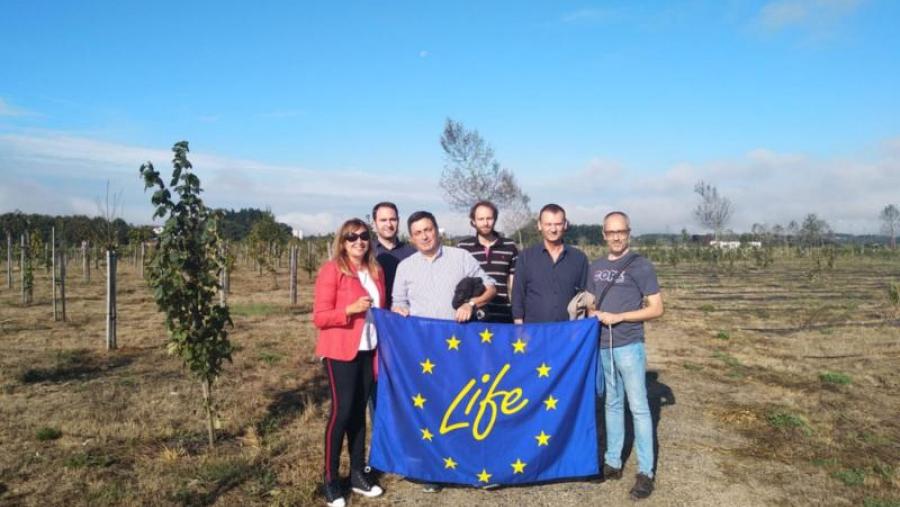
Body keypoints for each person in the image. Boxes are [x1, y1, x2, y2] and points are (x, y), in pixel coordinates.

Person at [391, 210, 496, 493]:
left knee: (467, 406)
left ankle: (473, 468)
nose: (425, 236)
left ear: (437, 230)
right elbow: (397, 302)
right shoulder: (406, 268)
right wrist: (399, 310)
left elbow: (490, 286)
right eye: (418, 232)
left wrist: (472, 303)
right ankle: (432, 470)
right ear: (411, 238)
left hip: (462, 348)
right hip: (424, 351)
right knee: (431, 408)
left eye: (428, 229)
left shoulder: (460, 257)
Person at [587, 211, 664, 501]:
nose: (617, 237)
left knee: (640, 407)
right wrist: (591, 313)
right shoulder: (595, 268)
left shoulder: (641, 265)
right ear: (604, 234)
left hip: (629, 345)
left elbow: (656, 308)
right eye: (611, 232)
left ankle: (645, 472)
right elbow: (590, 304)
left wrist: (620, 317)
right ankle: (613, 462)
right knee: (612, 403)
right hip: (603, 347)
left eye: (622, 231)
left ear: (629, 233)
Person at [313, 218, 386, 507]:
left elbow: (383, 309)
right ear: (342, 242)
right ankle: (330, 480)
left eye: (364, 236)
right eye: (351, 237)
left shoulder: (376, 271)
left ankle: (357, 474)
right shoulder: (333, 270)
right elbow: (320, 316)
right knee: (341, 413)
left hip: (369, 350)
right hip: (340, 352)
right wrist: (349, 310)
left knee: (359, 414)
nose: (359, 241)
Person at [511, 203, 589, 324]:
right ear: (539, 225)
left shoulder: (579, 258)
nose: (553, 229)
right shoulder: (526, 257)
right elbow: (518, 294)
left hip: (569, 331)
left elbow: (586, 296)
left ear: (565, 225)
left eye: (558, 224)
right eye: (548, 224)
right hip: (534, 330)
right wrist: (519, 326)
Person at [456, 200, 519, 323]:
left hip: (502, 314)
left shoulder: (509, 246)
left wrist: (517, 314)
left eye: (489, 218)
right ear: (473, 221)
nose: (485, 223)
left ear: (495, 219)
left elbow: (514, 285)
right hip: (472, 316)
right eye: (481, 219)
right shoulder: (463, 247)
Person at [371, 201, 416, 309]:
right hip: (375, 317)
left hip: (404, 316)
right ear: (374, 223)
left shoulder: (412, 253)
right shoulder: (367, 252)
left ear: (398, 221)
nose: (389, 224)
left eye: (393, 219)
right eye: (383, 220)